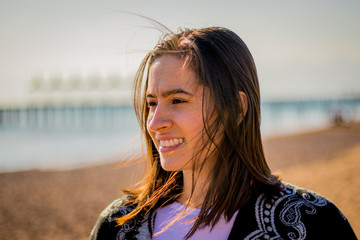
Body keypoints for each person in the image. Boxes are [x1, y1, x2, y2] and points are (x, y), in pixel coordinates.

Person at [89, 27, 357, 240]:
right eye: (151, 103)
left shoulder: (312, 223)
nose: (154, 123)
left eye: (178, 101)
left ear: (236, 109)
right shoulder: (118, 226)